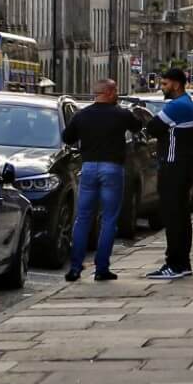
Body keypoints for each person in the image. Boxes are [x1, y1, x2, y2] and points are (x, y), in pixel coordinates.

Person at [60, 78, 142, 282]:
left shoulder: (82, 115)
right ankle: (101, 268)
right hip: (112, 168)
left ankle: (75, 268)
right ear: (108, 92)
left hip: (88, 168)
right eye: (115, 91)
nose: (117, 94)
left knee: (83, 218)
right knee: (109, 219)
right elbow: (137, 126)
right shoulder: (121, 114)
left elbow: (67, 137)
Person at [144, 67, 193, 282]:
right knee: (181, 216)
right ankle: (181, 263)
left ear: (176, 84)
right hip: (183, 166)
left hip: (173, 166)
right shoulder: (187, 103)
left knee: (173, 217)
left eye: (165, 84)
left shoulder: (177, 106)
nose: (162, 88)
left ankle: (175, 263)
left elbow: (153, 127)